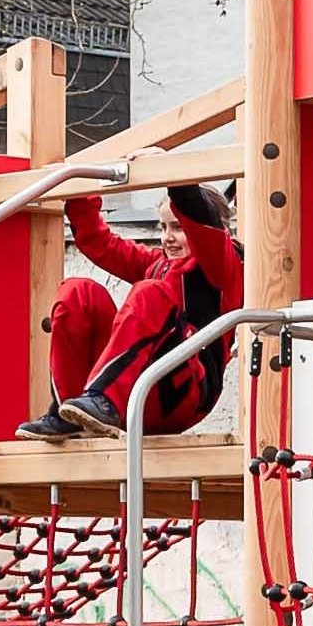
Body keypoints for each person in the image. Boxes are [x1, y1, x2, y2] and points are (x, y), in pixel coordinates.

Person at [24, 181, 241, 438]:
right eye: (163, 227)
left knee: (151, 292)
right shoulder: (158, 265)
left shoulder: (222, 266)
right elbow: (99, 242)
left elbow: (199, 217)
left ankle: (103, 398)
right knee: (78, 292)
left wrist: (168, 170)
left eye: (178, 228)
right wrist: (80, 186)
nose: (168, 238)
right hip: (135, 389)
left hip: (183, 393)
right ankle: (72, 413)